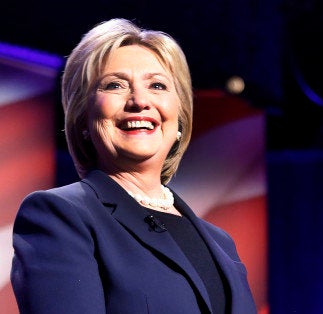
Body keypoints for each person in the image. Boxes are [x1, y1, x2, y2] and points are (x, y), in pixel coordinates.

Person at [11, 18, 257, 314]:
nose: (140, 101)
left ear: (178, 118)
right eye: (114, 85)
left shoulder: (221, 243)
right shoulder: (60, 216)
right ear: (83, 118)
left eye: (157, 85)